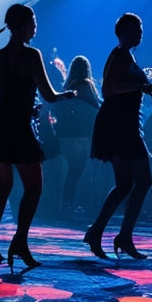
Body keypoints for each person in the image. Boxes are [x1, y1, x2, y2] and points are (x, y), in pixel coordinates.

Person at [0, 4, 76, 271]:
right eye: (33, 23)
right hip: (19, 124)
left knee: (2, 187)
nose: (35, 27)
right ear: (21, 27)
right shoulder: (32, 54)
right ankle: (19, 241)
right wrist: (68, 95)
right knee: (34, 187)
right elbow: (49, 95)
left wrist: (6, 102)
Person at [85, 12, 152, 260]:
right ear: (123, 32)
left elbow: (125, 85)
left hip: (125, 123)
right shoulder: (120, 55)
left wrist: (148, 87)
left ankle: (101, 231)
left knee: (127, 184)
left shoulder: (127, 56)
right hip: (118, 124)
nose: (139, 33)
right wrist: (142, 86)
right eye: (135, 29)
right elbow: (109, 88)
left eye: (141, 29)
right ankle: (118, 235)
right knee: (141, 181)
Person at [53, 54, 101, 218]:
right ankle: (68, 204)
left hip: (66, 134)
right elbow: (96, 105)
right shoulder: (86, 85)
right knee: (78, 171)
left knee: (72, 171)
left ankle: (67, 203)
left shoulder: (67, 86)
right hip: (82, 134)